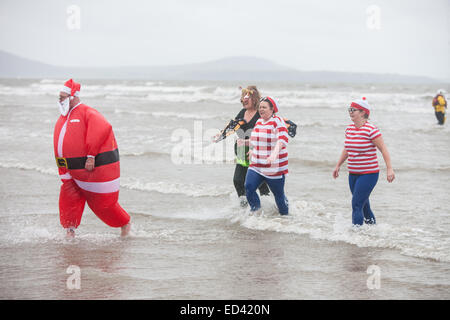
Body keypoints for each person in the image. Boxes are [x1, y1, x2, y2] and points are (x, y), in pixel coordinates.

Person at [53, 79, 131, 238]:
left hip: (89, 168)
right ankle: (70, 232)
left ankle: (125, 225)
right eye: (59, 97)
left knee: (102, 204)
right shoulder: (65, 115)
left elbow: (102, 129)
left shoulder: (87, 112)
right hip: (69, 169)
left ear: (73, 96)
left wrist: (91, 156)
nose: (59, 100)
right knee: (69, 198)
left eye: (62, 97)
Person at [332, 97, 395, 226]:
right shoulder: (349, 129)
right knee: (363, 206)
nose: (350, 112)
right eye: (349, 109)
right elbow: (347, 149)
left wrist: (389, 169)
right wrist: (338, 165)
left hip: (369, 174)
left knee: (356, 204)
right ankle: (372, 232)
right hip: (353, 174)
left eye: (353, 109)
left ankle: (357, 236)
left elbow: (383, 149)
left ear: (362, 112)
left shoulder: (371, 130)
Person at [214, 86, 270, 207]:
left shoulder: (261, 114)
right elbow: (233, 125)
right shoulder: (242, 112)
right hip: (241, 151)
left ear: (254, 99)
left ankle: (268, 206)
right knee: (238, 180)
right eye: (242, 98)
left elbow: (269, 130)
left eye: (246, 98)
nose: (243, 101)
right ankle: (244, 206)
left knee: (260, 182)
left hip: (256, 151)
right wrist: (221, 135)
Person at [245, 96, 289, 215]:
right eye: (260, 107)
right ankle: (256, 214)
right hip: (257, 165)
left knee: (279, 197)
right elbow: (254, 139)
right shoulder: (259, 121)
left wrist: (274, 154)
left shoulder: (277, 121)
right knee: (249, 187)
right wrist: (251, 149)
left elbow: (283, 139)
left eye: (264, 107)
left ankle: (286, 219)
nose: (261, 109)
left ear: (272, 109)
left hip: (274, 167)